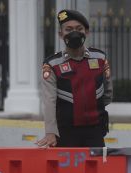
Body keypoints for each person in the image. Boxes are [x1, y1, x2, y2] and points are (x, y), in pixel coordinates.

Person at [37, 9, 112, 148]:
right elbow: (49, 101)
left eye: (79, 28)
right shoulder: (52, 64)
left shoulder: (100, 58)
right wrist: (50, 132)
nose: (74, 33)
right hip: (66, 133)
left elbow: (108, 94)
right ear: (61, 34)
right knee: (68, 170)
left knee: (95, 169)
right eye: (68, 29)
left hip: (95, 132)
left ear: (87, 32)